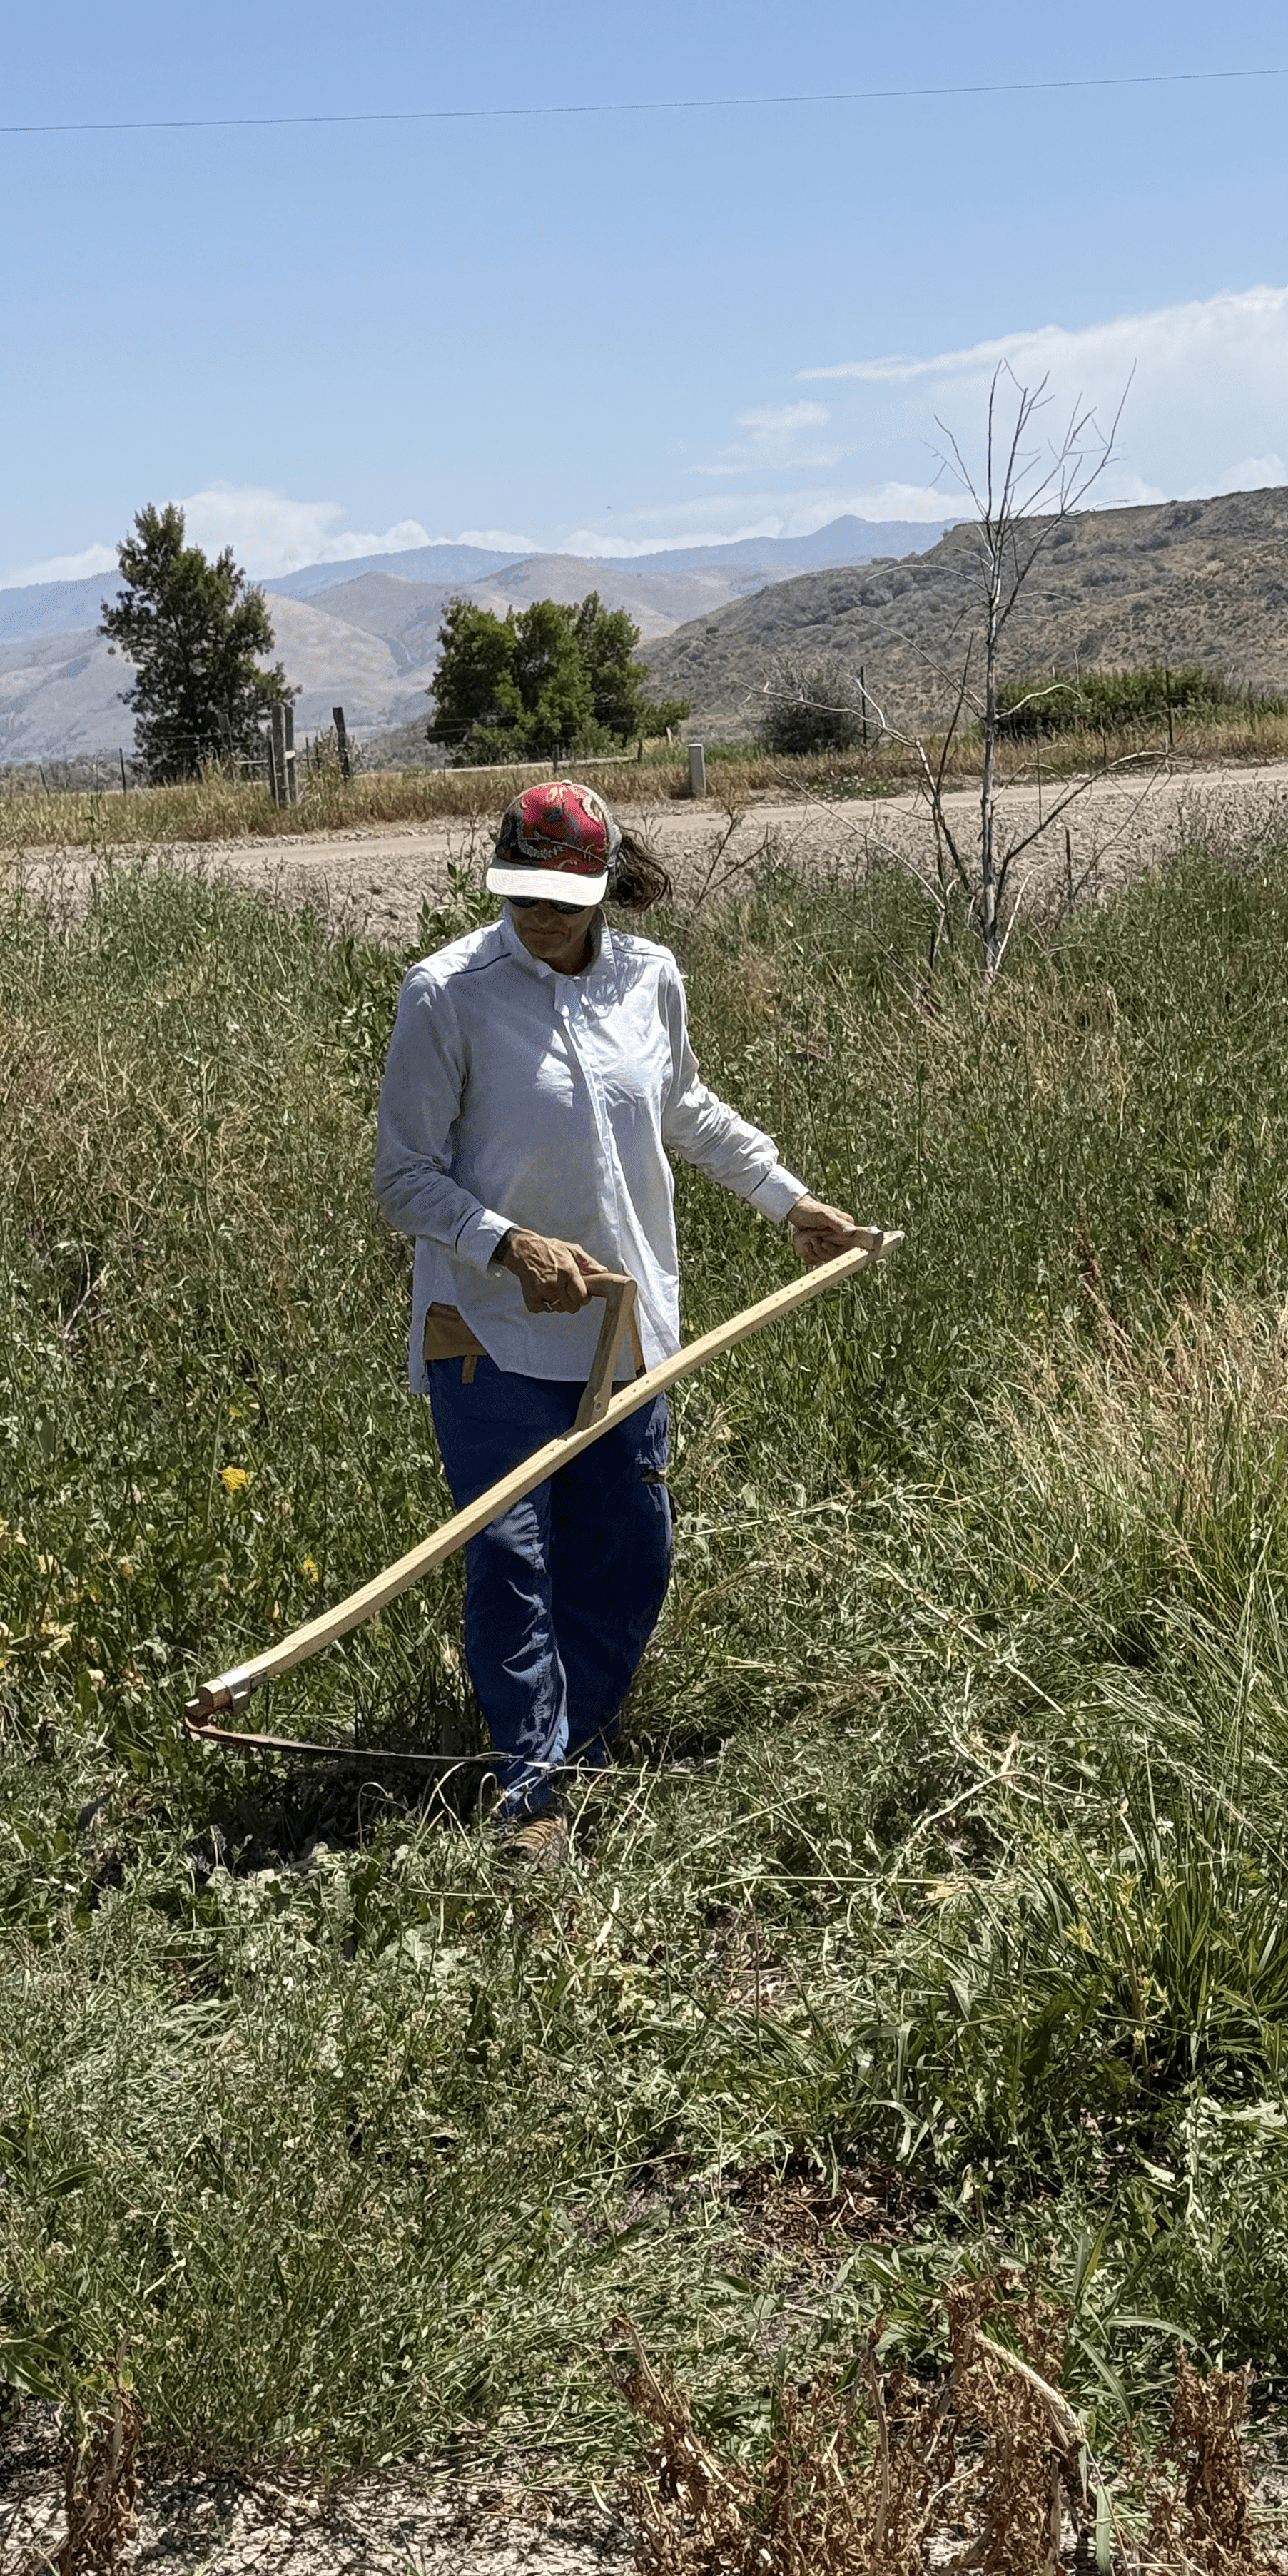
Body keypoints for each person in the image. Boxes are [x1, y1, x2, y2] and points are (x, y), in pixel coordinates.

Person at [372, 779, 867, 1862]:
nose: (541, 915)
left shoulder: (649, 980)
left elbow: (684, 1106)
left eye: (564, 894)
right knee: (510, 1557)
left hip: (623, 1328)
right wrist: (506, 1242)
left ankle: (575, 1744)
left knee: (628, 1554)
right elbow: (402, 1178)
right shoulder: (446, 994)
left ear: (603, 887)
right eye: (524, 892)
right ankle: (532, 1795)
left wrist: (790, 1200)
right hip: (490, 1329)